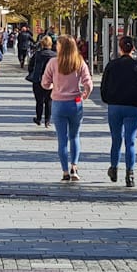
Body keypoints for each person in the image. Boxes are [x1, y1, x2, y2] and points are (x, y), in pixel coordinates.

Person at [100, 36, 137, 187]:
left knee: (116, 139)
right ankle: (130, 174)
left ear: (120, 48)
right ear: (133, 49)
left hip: (115, 106)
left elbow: (104, 86)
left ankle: (114, 168)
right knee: (130, 141)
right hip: (133, 106)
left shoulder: (112, 65)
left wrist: (107, 100)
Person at [41, 35, 93, 181]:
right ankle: (74, 167)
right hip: (75, 102)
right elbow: (88, 83)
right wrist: (85, 94)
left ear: (60, 47)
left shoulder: (53, 62)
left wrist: (52, 86)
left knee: (62, 139)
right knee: (74, 136)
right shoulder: (79, 62)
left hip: (58, 103)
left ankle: (64, 171)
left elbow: (44, 83)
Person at [27, 35, 56, 128]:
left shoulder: (37, 54)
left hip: (38, 80)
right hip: (51, 80)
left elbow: (30, 66)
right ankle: (47, 121)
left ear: (42, 44)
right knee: (49, 101)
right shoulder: (55, 55)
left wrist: (32, 73)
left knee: (39, 101)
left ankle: (38, 118)